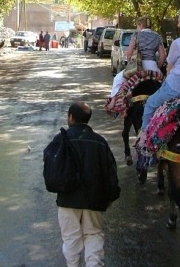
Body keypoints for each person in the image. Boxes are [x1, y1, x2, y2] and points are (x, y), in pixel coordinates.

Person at [51, 102, 120, 267]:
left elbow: (51, 170)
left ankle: (73, 265)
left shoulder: (60, 140)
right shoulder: (100, 142)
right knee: (94, 234)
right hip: (94, 199)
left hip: (67, 199)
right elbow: (110, 171)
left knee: (70, 238)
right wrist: (111, 195)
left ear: (70, 117)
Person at [105, 15, 167, 111]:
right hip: (153, 67)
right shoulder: (157, 36)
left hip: (138, 68)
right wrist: (157, 67)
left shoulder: (136, 35)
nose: (137, 28)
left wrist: (130, 62)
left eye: (137, 26)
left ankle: (113, 102)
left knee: (117, 79)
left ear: (141, 25)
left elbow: (129, 54)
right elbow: (163, 56)